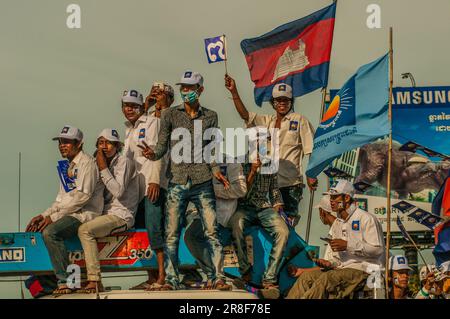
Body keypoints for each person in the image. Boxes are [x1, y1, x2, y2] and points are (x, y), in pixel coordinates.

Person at [141, 70, 230, 290]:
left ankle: (218, 277)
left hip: (203, 180)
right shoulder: (169, 114)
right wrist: (153, 154)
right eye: (183, 87)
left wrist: (216, 169)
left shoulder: (211, 116)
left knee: (212, 232)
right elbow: (162, 145)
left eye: (190, 88)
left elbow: (210, 148)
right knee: (171, 234)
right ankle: (171, 279)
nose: (185, 91)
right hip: (177, 180)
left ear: (200, 90)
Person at [225, 75, 316, 225]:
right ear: (273, 103)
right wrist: (234, 92)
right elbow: (245, 115)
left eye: (286, 100)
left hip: (290, 184)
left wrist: (311, 174)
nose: (282, 103)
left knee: (287, 224)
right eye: (278, 100)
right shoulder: (267, 121)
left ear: (291, 102)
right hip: (266, 184)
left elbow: (310, 149)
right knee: (265, 225)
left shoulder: (299, 120)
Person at [26, 125, 104, 295]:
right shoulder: (66, 166)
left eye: (67, 142)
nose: (62, 145)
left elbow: (83, 198)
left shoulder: (87, 163)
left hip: (86, 214)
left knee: (50, 233)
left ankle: (65, 282)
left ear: (79, 144)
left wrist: (54, 218)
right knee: (39, 230)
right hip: (71, 213)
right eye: (61, 141)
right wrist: (44, 215)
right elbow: (61, 200)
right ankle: (52, 280)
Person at [286, 179, 385, 299]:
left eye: (335, 197)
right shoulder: (337, 224)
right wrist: (329, 263)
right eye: (330, 197)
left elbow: (378, 250)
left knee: (327, 278)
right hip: (342, 269)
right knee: (307, 277)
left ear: (347, 198)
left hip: (366, 270)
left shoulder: (366, 218)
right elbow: (338, 260)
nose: (331, 201)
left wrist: (348, 245)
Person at [77, 129, 139, 293]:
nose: (104, 147)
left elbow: (117, 191)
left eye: (109, 143)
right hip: (104, 214)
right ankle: (76, 281)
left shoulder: (124, 162)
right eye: (101, 143)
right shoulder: (98, 163)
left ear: (117, 146)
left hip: (121, 215)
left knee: (85, 231)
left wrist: (103, 167)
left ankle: (95, 280)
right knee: (75, 225)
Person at [121, 88, 169, 289]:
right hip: (136, 190)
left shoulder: (153, 122)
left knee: (154, 227)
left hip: (152, 184)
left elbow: (160, 152)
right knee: (141, 230)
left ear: (142, 106)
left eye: (134, 105)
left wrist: (155, 180)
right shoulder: (128, 130)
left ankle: (163, 275)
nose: (129, 109)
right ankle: (151, 275)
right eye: (126, 105)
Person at [228, 152, 289, 298]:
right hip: (245, 206)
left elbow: (274, 189)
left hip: (264, 207)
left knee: (283, 231)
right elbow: (242, 193)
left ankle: (269, 278)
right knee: (236, 225)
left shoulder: (270, 163)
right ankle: (245, 271)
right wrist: (253, 171)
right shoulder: (240, 163)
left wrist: (278, 205)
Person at [184, 159, 247, 288]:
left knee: (194, 236)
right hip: (199, 214)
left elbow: (241, 190)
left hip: (221, 216)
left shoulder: (231, 163)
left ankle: (216, 276)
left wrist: (216, 192)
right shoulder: (199, 162)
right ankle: (203, 275)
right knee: (180, 233)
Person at [286, 195, 341, 288]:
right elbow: (327, 266)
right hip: (333, 274)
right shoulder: (336, 230)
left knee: (305, 281)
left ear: (322, 212)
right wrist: (301, 271)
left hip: (335, 277)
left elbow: (336, 266)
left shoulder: (338, 232)